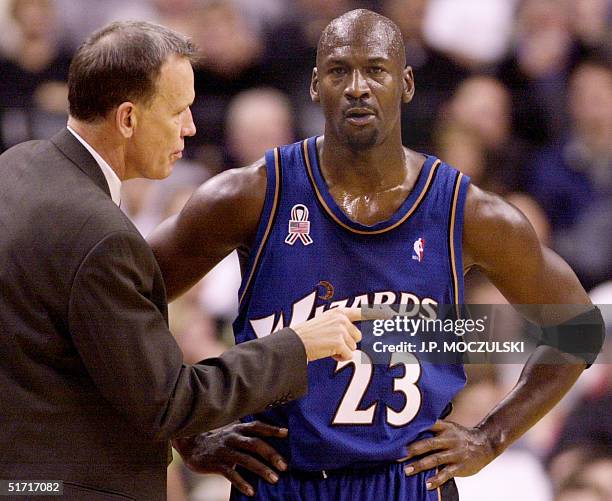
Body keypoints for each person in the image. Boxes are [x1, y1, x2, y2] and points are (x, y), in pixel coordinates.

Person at [149, 10, 604, 501]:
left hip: (407, 481)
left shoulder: (467, 212)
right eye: (339, 71)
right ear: (315, 85)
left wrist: (490, 437)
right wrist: (188, 432)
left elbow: (577, 328)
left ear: (406, 83)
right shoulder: (251, 195)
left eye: (376, 70)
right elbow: (122, 299)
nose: (357, 87)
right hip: (281, 479)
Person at [0, 21, 364, 500]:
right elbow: (169, 402)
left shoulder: (17, 164)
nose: (190, 127)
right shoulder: (102, 236)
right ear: (128, 119)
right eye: (178, 112)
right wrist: (296, 345)